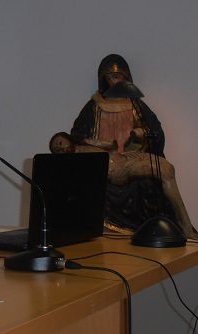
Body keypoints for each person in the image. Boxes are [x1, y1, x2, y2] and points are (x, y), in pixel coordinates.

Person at [70, 53, 178, 234]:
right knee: (95, 183)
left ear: (126, 77)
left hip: (133, 158)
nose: (114, 81)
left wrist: (140, 136)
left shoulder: (136, 104)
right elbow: (77, 136)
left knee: (149, 181)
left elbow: (156, 133)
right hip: (105, 162)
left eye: (118, 76)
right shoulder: (94, 106)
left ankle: (156, 229)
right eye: (110, 77)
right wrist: (100, 145)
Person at [49, 132, 196, 239]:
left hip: (124, 158)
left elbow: (109, 145)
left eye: (60, 143)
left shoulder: (82, 145)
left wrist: (88, 140)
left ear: (68, 139)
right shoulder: (73, 163)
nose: (60, 148)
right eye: (56, 149)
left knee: (167, 166)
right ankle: (185, 225)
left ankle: (183, 223)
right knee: (164, 172)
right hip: (120, 170)